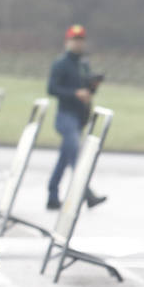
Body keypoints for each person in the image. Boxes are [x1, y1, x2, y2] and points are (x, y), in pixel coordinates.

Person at [46, 24, 106, 210]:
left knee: (65, 157)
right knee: (74, 154)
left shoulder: (84, 64)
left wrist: (93, 85)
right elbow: (52, 89)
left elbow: (87, 90)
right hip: (65, 116)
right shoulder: (60, 63)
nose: (78, 44)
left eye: (81, 40)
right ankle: (87, 193)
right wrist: (75, 93)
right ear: (68, 42)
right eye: (75, 40)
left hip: (80, 117)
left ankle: (52, 195)